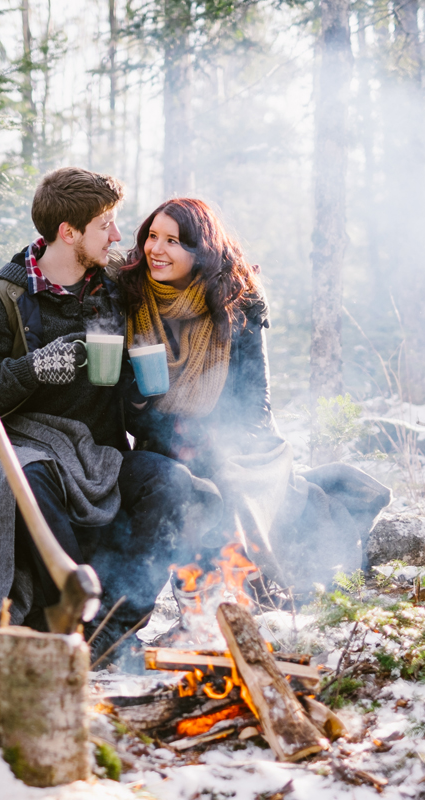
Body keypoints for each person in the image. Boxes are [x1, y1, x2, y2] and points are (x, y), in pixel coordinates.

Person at [0, 169, 214, 662]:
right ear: (68, 232)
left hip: (104, 456)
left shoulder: (117, 287)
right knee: (22, 481)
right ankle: (68, 620)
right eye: (105, 225)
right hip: (32, 449)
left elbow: (193, 277)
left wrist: (143, 393)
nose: (117, 236)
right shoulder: (6, 297)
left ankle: (113, 629)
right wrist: (35, 367)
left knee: (174, 484)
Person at [116, 198, 391, 595]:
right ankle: (202, 607)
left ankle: (235, 600)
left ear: (200, 250)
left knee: (226, 482)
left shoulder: (236, 301)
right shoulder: (132, 298)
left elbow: (255, 399)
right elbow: (128, 408)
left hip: (241, 440)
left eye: (172, 241)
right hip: (163, 441)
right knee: (187, 486)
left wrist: (225, 446)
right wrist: (156, 415)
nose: (156, 249)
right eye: (152, 236)